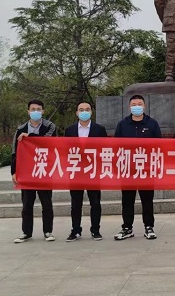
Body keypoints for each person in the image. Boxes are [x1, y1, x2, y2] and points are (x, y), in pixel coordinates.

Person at [113, 94, 161, 240]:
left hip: (146, 169)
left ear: (144, 106)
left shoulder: (152, 124)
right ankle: (127, 228)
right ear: (129, 107)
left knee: (147, 199)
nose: (137, 107)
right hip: (128, 168)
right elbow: (116, 146)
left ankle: (149, 227)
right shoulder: (122, 124)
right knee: (127, 200)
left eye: (140, 104)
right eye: (134, 104)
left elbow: (159, 146)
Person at [11, 99, 57, 243]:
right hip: (27, 172)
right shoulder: (21, 129)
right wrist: (14, 172)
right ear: (28, 111)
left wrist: (30, 137)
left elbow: (48, 142)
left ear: (43, 111)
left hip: (44, 169)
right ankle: (26, 232)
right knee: (27, 204)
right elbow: (15, 152)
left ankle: (48, 231)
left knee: (46, 203)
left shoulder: (50, 126)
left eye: (38, 109)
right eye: (33, 109)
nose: (35, 111)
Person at [65, 102, 108, 242]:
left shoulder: (99, 129)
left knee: (95, 202)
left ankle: (95, 230)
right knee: (75, 203)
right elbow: (65, 150)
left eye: (87, 109)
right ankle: (75, 230)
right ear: (77, 113)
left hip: (93, 170)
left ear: (91, 112)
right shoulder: (70, 130)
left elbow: (105, 149)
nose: (84, 112)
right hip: (76, 170)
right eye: (81, 110)